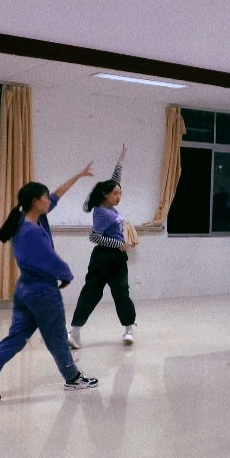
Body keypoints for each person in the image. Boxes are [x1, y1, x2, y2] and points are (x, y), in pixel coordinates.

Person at [0, 165, 99, 404]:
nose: (49, 200)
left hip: (24, 290)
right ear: (36, 202)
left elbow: (57, 194)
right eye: (45, 198)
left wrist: (78, 176)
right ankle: (73, 378)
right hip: (42, 292)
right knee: (57, 338)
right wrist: (66, 275)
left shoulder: (28, 219)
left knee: (14, 339)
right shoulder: (31, 232)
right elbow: (50, 259)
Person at [68, 144, 136, 349]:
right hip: (109, 257)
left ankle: (126, 328)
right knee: (114, 293)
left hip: (104, 257)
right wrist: (119, 243)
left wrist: (120, 161)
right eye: (115, 194)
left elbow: (114, 181)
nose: (118, 196)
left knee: (100, 292)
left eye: (120, 193)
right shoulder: (103, 213)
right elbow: (94, 237)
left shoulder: (106, 207)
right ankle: (76, 332)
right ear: (106, 195)